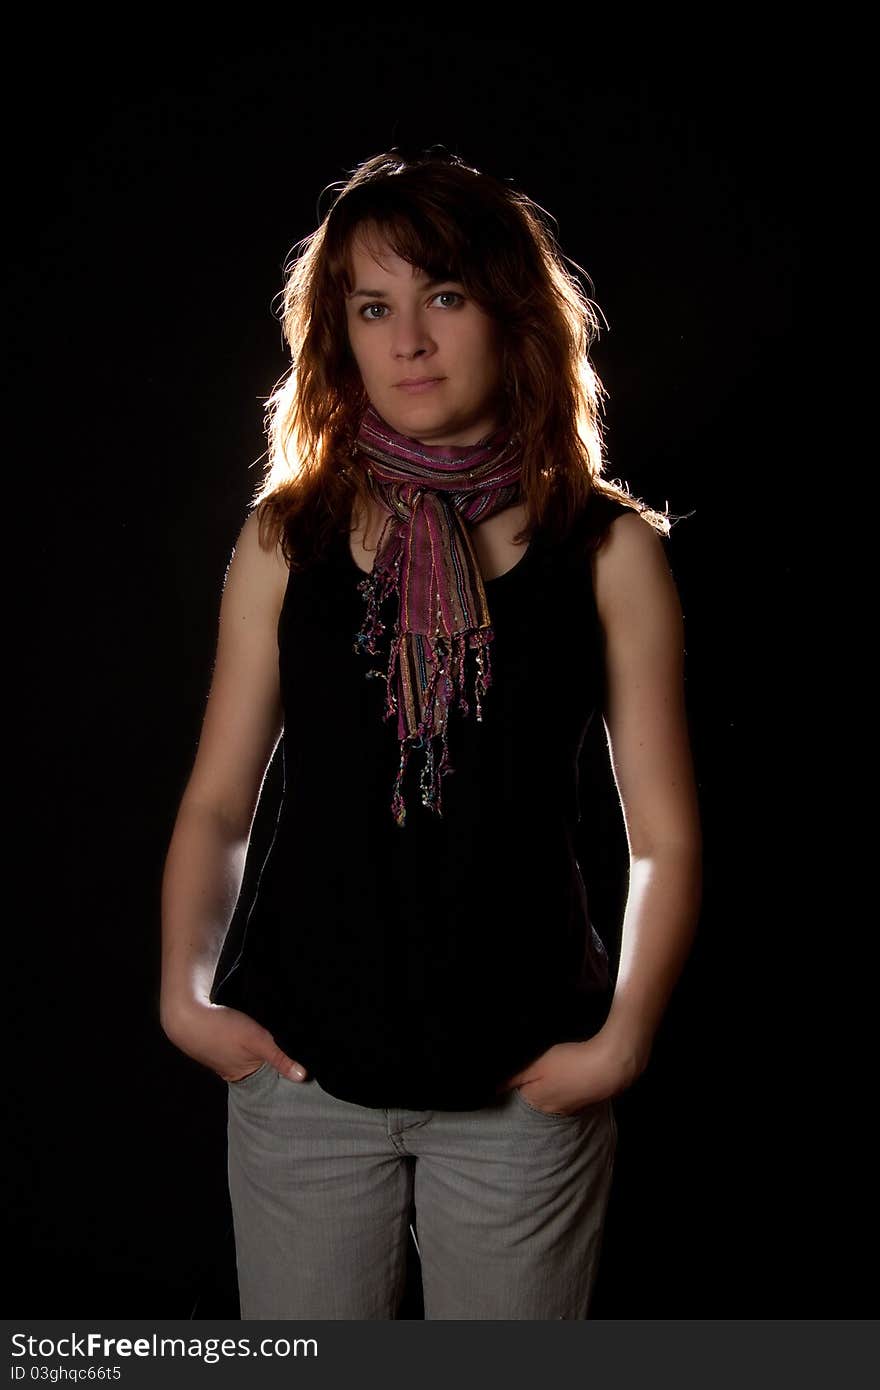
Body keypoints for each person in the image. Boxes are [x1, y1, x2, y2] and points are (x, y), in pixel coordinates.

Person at [159, 146, 702, 1321]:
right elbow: (217, 803)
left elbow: (660, 835)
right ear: (338, 337)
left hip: (525, 1089)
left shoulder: (608, 552)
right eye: (373, 307)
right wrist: (185, 1001)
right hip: (302, 1079)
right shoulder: (283, 544)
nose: (407, 339)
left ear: (510, 319)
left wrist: (621, 1044)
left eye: (443, 297)